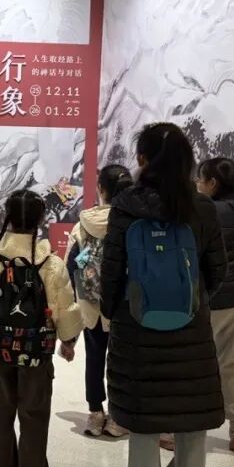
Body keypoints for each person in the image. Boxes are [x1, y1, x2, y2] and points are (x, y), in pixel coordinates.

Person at [101, 123, 226, 467]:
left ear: (141, 159)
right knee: (191, 414)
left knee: (144, 416)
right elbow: (218, 272)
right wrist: (191, 300)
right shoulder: (202, 207)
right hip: (191, 329)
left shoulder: (126, 206)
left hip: (137, 326)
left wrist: (112, 311)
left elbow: (112, 271)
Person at [0, 190, 83, 467]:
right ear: (41, 219)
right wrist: (68, 341)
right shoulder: (50, 262)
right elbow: (65, 309)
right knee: (34, 412)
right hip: (37, 352)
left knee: (0, 411)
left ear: (8, 216)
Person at [65, 165, 133, 438]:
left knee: (94, 359)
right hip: (125, 306)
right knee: (122, 361)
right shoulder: (133, 221)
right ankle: (117, 416)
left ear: (101, 190)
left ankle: (95, 413)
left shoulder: (84, 222)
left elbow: (71, 266)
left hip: (91, 304)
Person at [195, 157, 234, 453]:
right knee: (233, 364)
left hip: (212, 299)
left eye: (201, 180)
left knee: (195, 365)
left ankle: (180, 431)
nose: (198, 185)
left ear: (212, 183)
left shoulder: (207, 212)